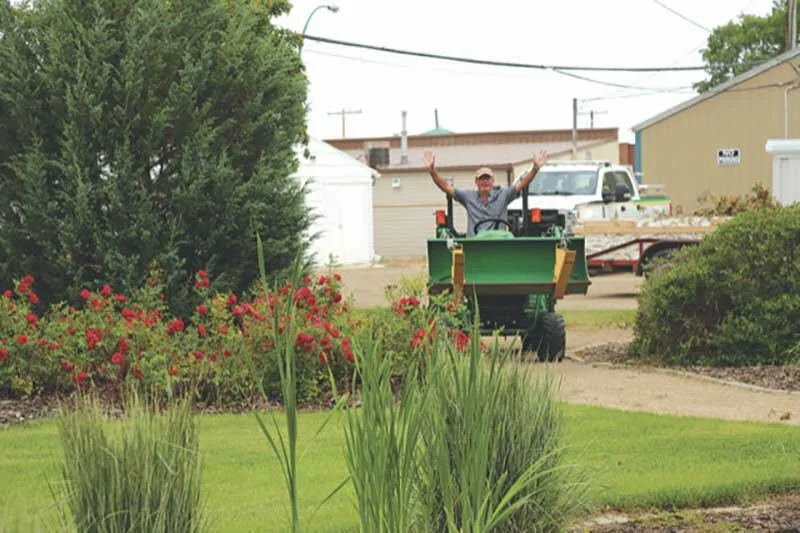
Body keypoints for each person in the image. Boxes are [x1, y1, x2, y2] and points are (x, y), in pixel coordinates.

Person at [423, 149, 548, 236]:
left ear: (493, 181)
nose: (485, 182)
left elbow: (522, 183)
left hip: (499, 244)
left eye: (487, 179)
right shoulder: (468, 197)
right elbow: (445, 187)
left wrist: (535, 169)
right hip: (475, 246)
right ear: (476, 182)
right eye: (481, 179)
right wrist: (432, 171)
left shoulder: (503, 195)